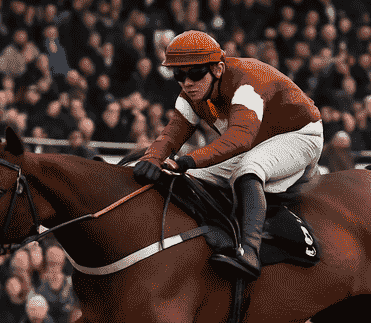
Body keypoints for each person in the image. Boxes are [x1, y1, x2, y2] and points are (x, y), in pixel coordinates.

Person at [132, 30, 323, 281]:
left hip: (300, 134)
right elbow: (171, 135)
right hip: (256, 141)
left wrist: (187, 159)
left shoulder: (247, 81)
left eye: (196, 73)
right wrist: (151, 159)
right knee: (187, 177)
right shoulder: (190, 95)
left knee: (249, 168)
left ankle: (250, 254)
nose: (187, 82)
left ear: (218, 69)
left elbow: (240, 138)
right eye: (179, 74)